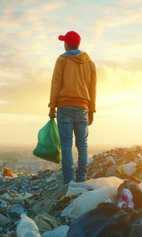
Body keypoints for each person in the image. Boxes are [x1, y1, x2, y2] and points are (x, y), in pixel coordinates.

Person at [48, 31, 96, 184]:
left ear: (67, 44)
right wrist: (92, 110)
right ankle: (81, 179)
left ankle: (69, 182)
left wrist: (52, 107)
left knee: (66, 145)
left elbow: (56, 84)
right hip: (83, 108)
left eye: (64, 42)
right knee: (82, 145)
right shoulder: (89, 63)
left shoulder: (62, 60)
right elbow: (92, 88)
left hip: (65, 107)